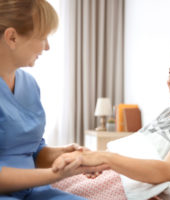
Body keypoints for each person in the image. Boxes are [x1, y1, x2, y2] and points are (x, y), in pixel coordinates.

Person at [52, 41, 170, 197]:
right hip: (119, 173)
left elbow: (168, 170)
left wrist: (104, 158)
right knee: (52, 181)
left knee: (57, 191)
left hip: (132, 184)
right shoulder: (169, 112)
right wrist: (94, 161)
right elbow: (135, 146)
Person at [0, 0, 107, 199]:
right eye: (43, 37)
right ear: (12, 37)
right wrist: (54, 174)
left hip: (32, 192)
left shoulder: (29, 85)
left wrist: (64, 156)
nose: (47, 47)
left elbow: (31, 150)